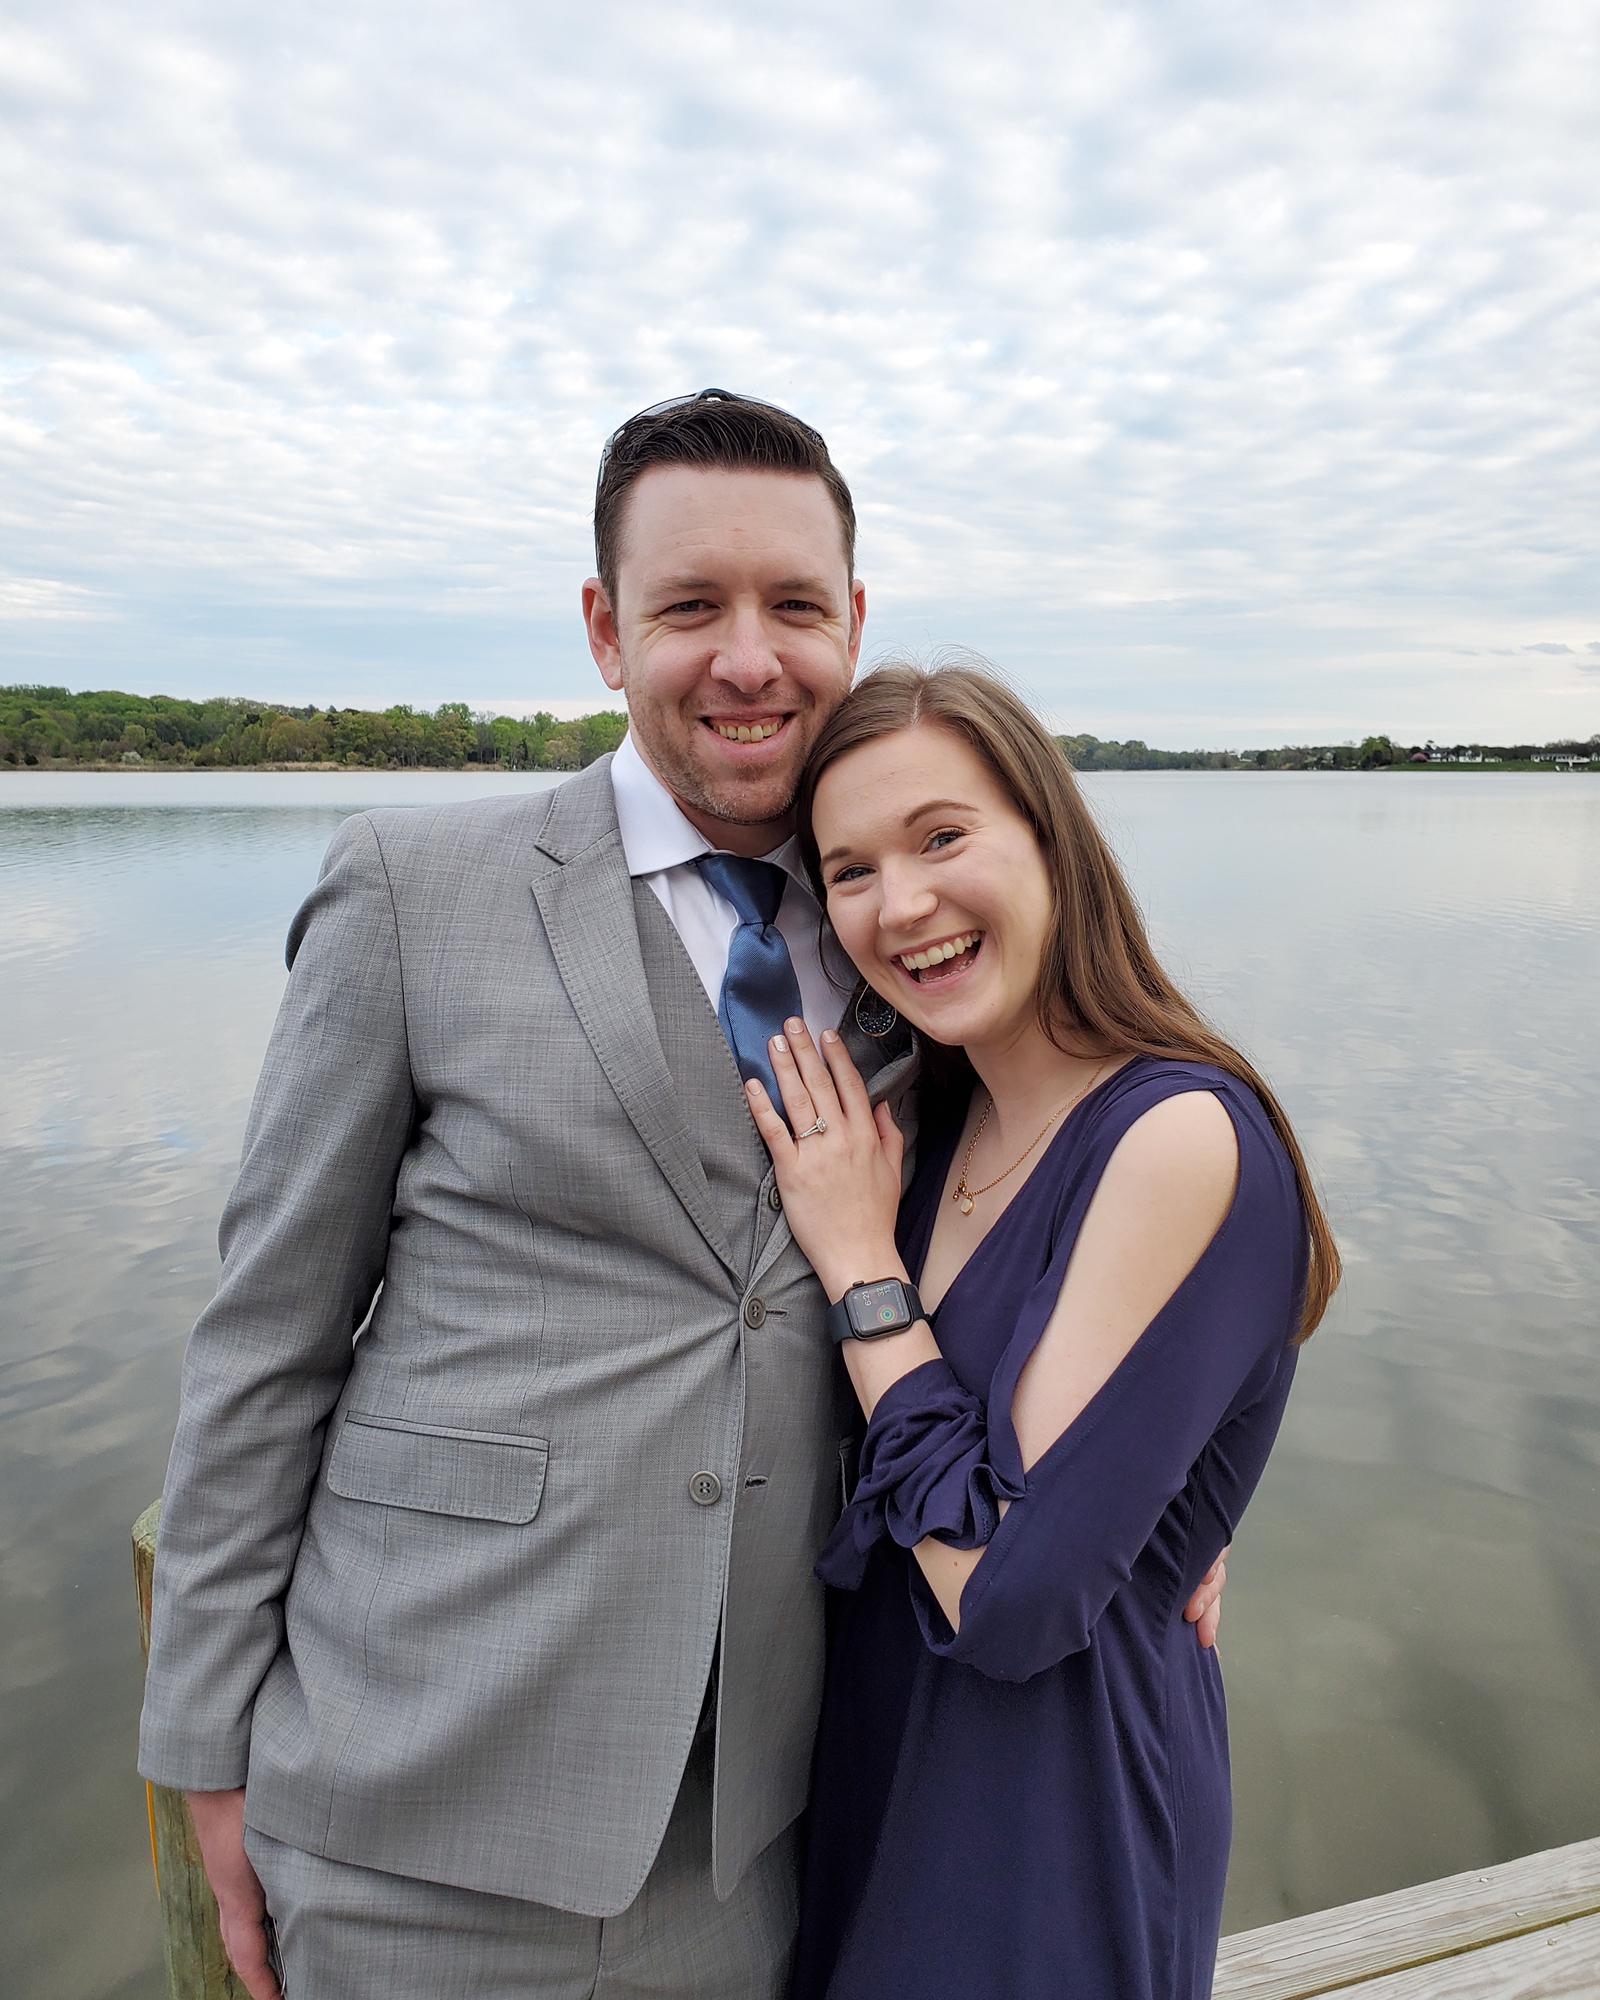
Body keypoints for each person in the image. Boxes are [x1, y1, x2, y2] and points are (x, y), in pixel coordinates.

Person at [137, 393, 1228, 2000]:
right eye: (691, 607)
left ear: (853, 620)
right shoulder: (408, 893)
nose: (749, 660)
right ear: (604, 629)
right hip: (414, 1810)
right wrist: (202, 1745)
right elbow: (267, 1344)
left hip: (764, 1831)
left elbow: (1068, 1231)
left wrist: (1166, 1498)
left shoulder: (908, 933)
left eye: (794, 605)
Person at [742, 664, 1340, 2000]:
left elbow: (1012, 1600)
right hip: (884, 1760)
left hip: (1054, 1813)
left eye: (943, 837)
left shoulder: (1174, 1134)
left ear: (1053, 841)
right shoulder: (934, 1129)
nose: (901, 905)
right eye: (850, 871)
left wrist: (861, 1272)